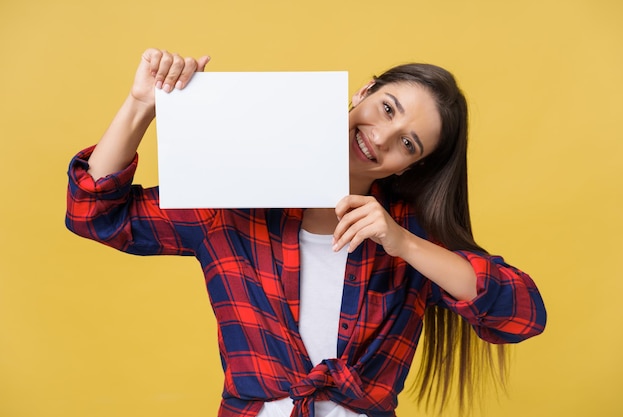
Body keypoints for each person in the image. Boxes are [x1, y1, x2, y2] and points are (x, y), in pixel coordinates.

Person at [66, 48, 546, 417]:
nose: (380, 137)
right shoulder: (235, 200)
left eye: (407, 143)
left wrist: (402, 242)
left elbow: (521, 315)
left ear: (411, 166)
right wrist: (139, 106)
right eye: (387, 108)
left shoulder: (409, 235)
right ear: (363, 92)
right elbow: (95, 214)